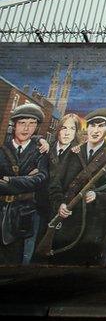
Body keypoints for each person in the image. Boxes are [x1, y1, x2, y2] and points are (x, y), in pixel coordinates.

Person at [47, 109, 106, 266]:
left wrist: (98, 197)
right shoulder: (74, 152)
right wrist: (59, 204)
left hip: (94, 227)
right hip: (67, 223)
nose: (96, 131)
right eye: (92, 126)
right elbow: (55, 184)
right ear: (87, 128)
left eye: (101, 126)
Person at [0, 104, 49, 265]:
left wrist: (9, 180)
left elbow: (40, 179)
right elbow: (31, 181)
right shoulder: (2, 146)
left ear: (36, 127)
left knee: (14, 259)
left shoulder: (39, 150)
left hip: (22, 213)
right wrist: (25, 179)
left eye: (32, 123)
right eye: (22, 123)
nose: (26, 128)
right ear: (14, 124)